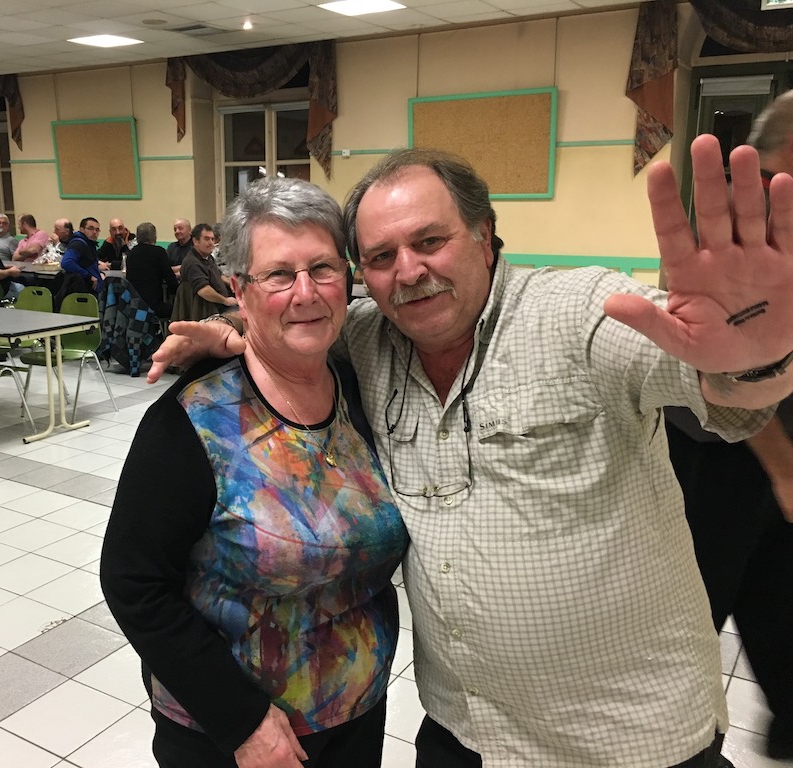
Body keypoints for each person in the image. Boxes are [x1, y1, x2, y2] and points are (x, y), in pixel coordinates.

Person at [148, 136, 793, 766]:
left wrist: (752, 359)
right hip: (464, 733)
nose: (409, 271)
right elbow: (294, 315)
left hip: (625, 740)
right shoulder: (368, 339)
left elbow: (709, 380)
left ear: (485, 236)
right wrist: (232, 328)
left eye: (430, 241)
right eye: (381, 256)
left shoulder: (576, 313)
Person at [101, 176, 408, 768]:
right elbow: (132, 582)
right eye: (279, 274)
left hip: (356, 713)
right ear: (240, 290)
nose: (305, 292)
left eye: (322, 268)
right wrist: (239, 720)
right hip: (235, 738)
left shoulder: (360, 388)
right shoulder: (195, 421)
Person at [665, 91, 793, 762]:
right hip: (716, 452)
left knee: (777, 607)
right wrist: (784, 470)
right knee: (693, 613)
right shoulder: (738, 232)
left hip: (774, 452)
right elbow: (731, 380)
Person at [179, 223, 237, 315]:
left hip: (219, 305)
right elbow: (204, 291)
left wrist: (231, 283)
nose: (211, 243)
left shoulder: (208, 257)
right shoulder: (192, 263)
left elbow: (219, 275)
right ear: (195, 241)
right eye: (206, 239)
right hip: (209, 310)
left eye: (212, 239)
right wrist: (225, 300)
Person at [123, 221, 177, 319]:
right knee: (179, 309)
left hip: (134, 306)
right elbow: (170, 280)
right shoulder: (159, 252)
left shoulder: (131, 254)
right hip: (153, 306)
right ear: (154, 237)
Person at [61, 217, 105, 294]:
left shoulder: (89, 243)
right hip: (85, 291)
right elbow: (66, 263)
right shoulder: (79, 243)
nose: (94, 232)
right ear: (82, 229)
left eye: (97, 229)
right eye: (90, 228)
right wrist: (88, 276)